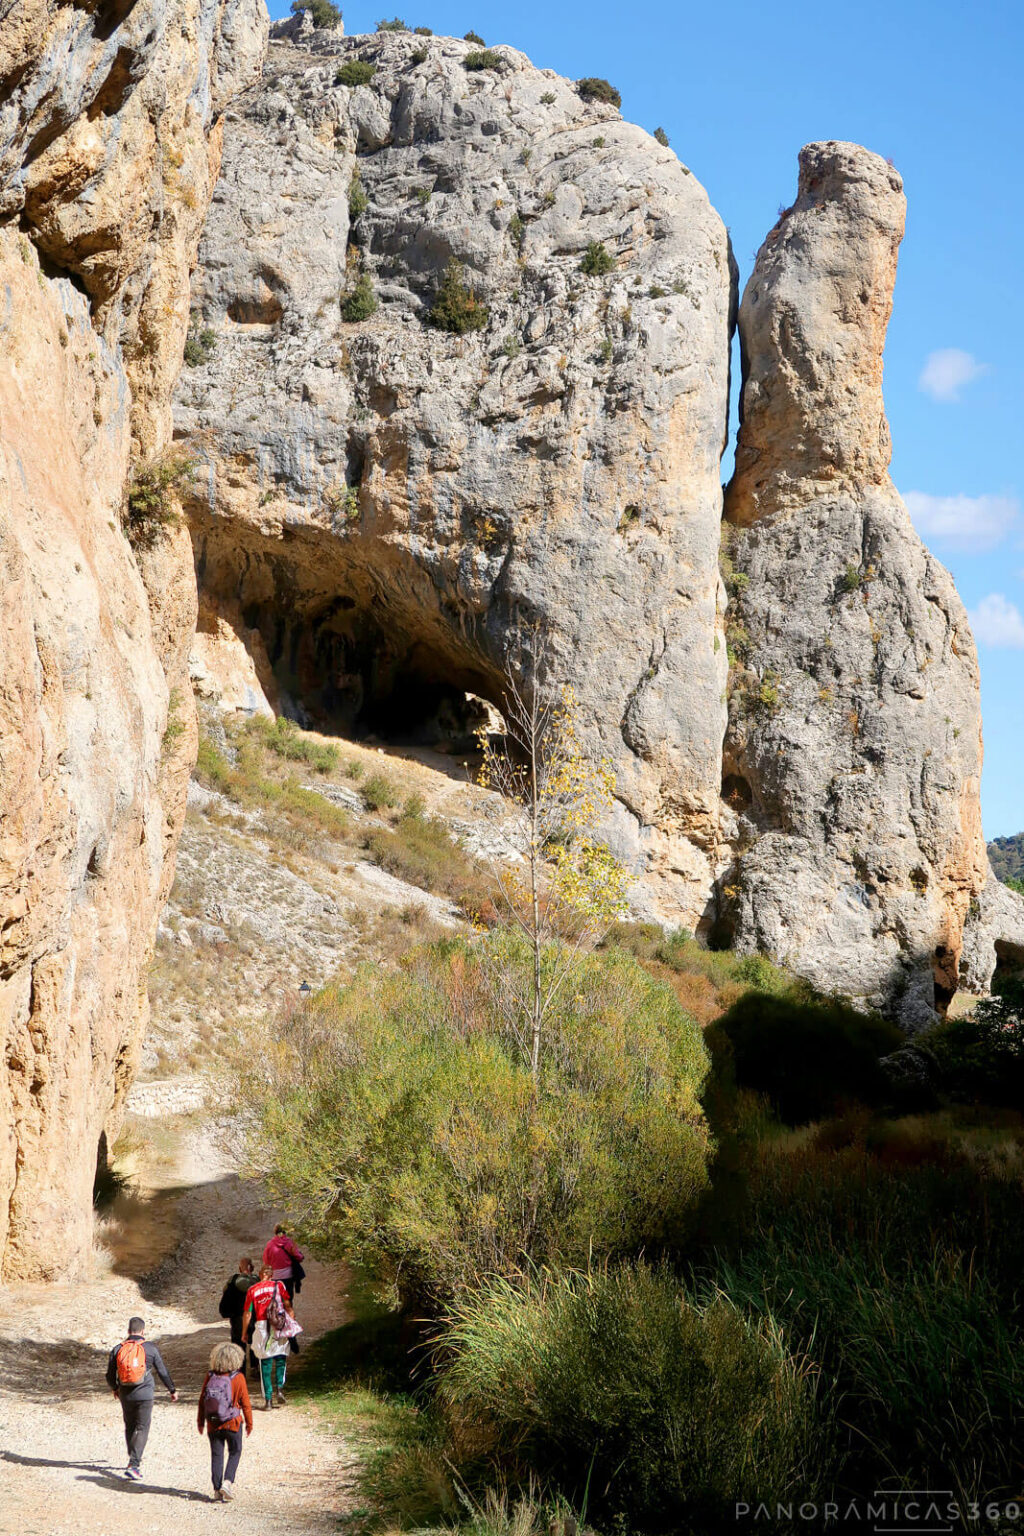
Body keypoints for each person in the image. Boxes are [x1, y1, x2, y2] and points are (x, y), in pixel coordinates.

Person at [105, 1316, 178, 1481]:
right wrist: (172, 1389)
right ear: (143, 1331)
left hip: (125, 1394)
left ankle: (132, 1457)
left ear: (128, 1331)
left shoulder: (117, 1349)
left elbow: (109, 1375)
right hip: (144, 1394)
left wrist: (115, 1388)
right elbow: (162, 1371)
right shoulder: (150, 1348)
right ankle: (134, 1464)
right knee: (142, 1427)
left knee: (130, 1425)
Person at [197, 1341, 252, 1502]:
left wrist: (201, 1421)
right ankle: (227, 1482)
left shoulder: (210, 1376)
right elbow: (246, 1404)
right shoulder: (238, 1377)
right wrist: (249, 1424)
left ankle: (216, 1490)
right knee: (235, 1451)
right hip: (232, 1423)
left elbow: (202, 1400)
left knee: (216, 1455)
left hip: (213, 1424)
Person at [242, 1263, 295, 1408]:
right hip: (278, 1325)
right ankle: (279, 1388)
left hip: (261, 1326)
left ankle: (268, 1400)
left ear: (260, 1274)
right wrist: (291, 1324)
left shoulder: (252, 1290)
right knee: (281, 1356)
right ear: (272, 1275)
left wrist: (244, 1332)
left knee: (265, 1361)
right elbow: (288, 1306)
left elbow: (247, 1313)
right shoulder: (279, 1286)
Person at [219, 1256, 255, 1348]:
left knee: (238, 1347)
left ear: (239, 1269)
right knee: (255, 1348)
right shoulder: (257, 1281)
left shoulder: (232, 1280)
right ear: (252, 1268)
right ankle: (254, 1362)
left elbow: (225, 1293)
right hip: (254, 1318)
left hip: (237, 1319)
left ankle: (240, 1362)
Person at [263, 1224, 304, 1301]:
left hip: (274, 1277)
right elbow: (298, 1256)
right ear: (285, 1232)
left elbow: (266, 1260)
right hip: (287, 1276)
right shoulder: (290, 1242)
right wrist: (301, 1257)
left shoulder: (270, 1244)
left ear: (275, 1232)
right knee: (288, 1298)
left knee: (275, 1299)